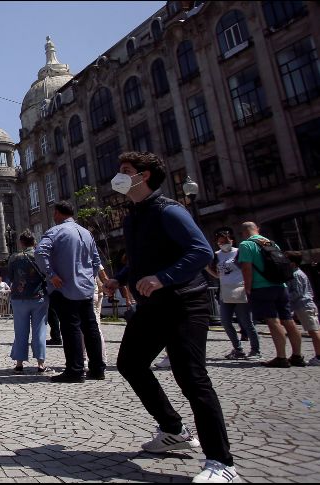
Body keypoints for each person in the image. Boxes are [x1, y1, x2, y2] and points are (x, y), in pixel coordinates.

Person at [105, 151, 237, 483]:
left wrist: (163, 277)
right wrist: (120, 278)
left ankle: (222, 463)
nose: (119, 176)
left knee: (191, 377)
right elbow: (140, 258)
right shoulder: (133, 215)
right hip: (151, 306)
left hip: (184, 303)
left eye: (126, 171)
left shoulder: (170, 210)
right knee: (130, 363)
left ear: (144, 176)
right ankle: (173, 430)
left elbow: (201, 251)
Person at [36, 201, 107, 383]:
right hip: (86, 288)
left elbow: (40, 252)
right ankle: (98, 368)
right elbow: (96, 259)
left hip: (64, 287)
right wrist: (89, 277)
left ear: (58, 213)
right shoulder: (86, 233)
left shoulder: (55, 231)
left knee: (70, 328)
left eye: (54, 213)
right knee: (90, 327)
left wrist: (51, 274)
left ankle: (75, 370)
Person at [238, 222, 304, 368]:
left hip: (262, 287)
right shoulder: (270, 242)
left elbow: (246, 269)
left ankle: (281, 357)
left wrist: (248, 288)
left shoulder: (246, 245)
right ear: (258, 230)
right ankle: (297, 356)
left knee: (273, 321)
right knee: (288, 320)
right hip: (281, 285)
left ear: (243, 232)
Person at [205, 227, 260, 360]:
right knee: (225, 321)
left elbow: (247, 269)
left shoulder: (239, 252)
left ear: (231, 240)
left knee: (246, 321)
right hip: (225, 291)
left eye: (226, 241)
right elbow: (218, 275)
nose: (224, 244)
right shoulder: (217, 255)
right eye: (220, 242)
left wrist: (248, 287)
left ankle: (255, 350)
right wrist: (207, 269)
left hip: (240, 289)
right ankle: (238, 349)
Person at [8, 230, 48, 373]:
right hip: (39, 297)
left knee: (20, 331)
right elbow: (47, 274)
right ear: (34, 242)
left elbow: (11, 278)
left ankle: (19, 363)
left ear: (21, 243)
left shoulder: (14, 258)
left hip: (19, 298)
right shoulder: (41, 256)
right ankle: (40, 364)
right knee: (39, 330)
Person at [285, 251, 320, 366]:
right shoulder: (295, 273)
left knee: (313, 330)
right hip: (301, 306)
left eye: (286, 260)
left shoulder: (296, 275)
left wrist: (285, 298)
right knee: (312, 330)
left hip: (305, 305)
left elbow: (298, 293)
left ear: (293, 263)